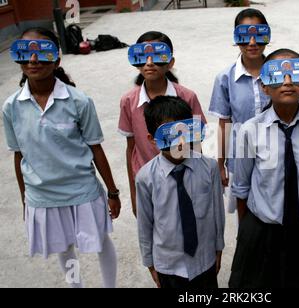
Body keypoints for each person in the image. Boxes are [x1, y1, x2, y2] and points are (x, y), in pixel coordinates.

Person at [2, 27, 121, 288]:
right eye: (25, 52)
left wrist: (112, 192)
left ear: (56, 59)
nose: (33, 60)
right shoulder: (11, 107)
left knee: (100, 241)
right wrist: (25, 199)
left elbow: (95, 148)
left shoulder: (79, 101)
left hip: (82, 189)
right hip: (43, 195)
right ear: (18, 58)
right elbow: (18, 155)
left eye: (41, 52)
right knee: (64, 247)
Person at [229, 49, 299, 288]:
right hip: (264, 230)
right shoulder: (248, 130)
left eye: (295, 74)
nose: (287, 82)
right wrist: (248, 231)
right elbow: (242, 187)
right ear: (265, 87)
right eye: (277, 74)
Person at [136, 96, 225, 288]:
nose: (179, 141)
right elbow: (145, 222)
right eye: (170, 135)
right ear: (152, 140)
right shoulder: (145, 177)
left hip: (204, 259)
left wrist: (218, 247)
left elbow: (217, 211)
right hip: (168, 264)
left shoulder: (208, 167)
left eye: (184, 132)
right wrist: (150, 262)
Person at [119, 31, 206, 217]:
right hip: (148, 180)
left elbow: (197, 144)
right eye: (143, 56)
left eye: (158, 56)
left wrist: (200, 181)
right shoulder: (128, 101)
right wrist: (134, 193)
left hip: (184, 176)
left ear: (171, 62)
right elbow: (131, 148)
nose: (149, 63)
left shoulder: (187, 97)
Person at [209, 8, 271, 220]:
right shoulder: (225, 78)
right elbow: (224, 123)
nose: (252, 42)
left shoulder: (280, 73)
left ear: (268, 35)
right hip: (241, 156)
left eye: (258, 34)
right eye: (244, 36)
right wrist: (220, 164)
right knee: (245, 212)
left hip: (275, 153)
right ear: (235, 38)